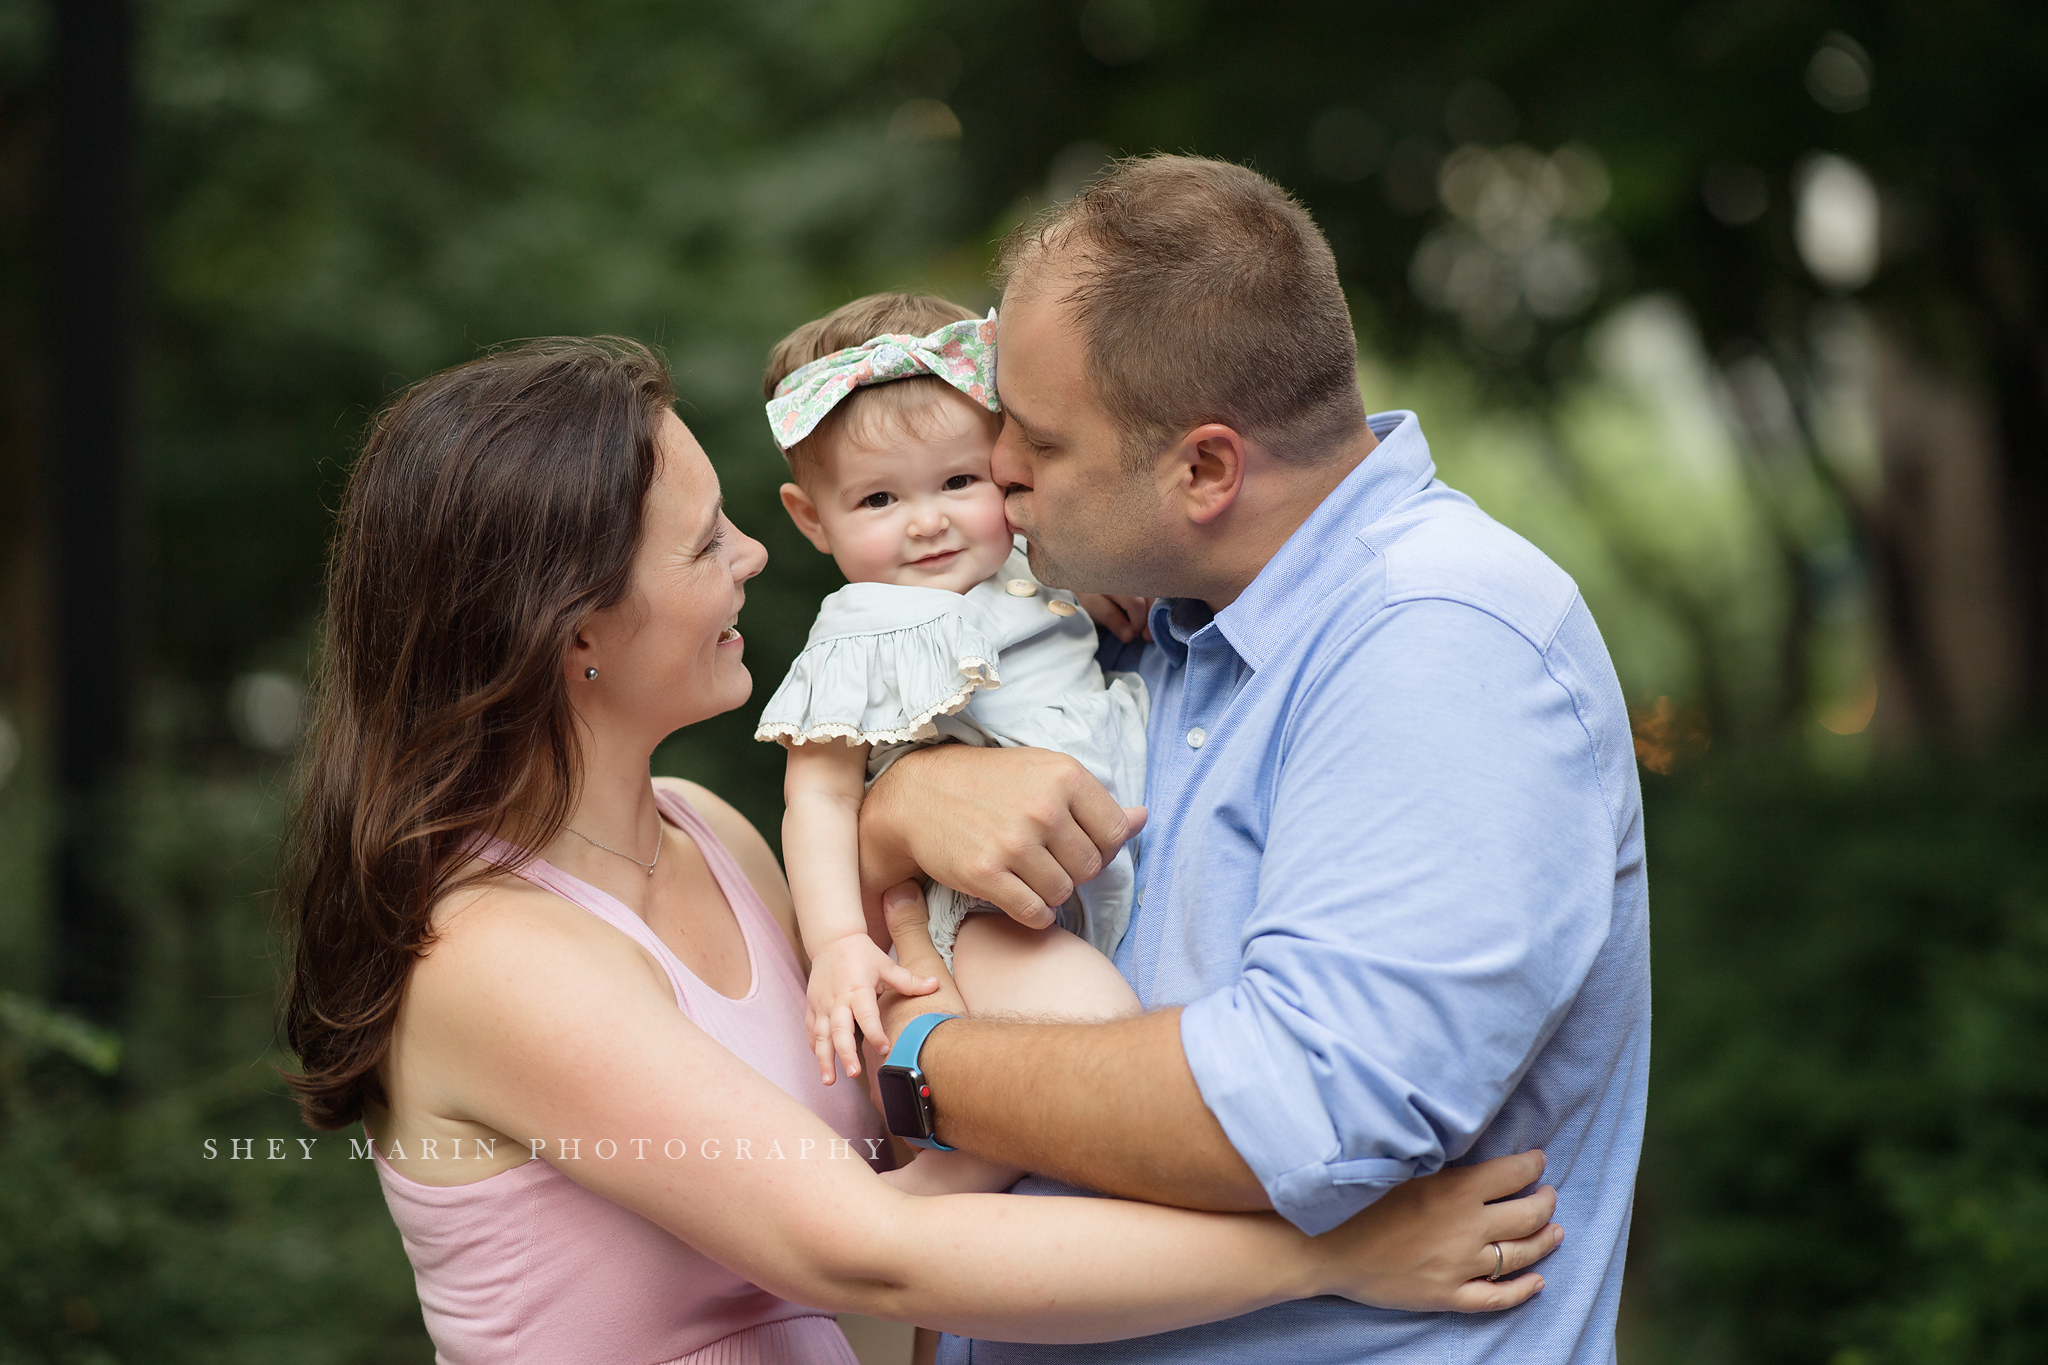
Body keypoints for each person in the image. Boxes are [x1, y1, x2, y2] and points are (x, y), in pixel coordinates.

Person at [279, 336, 1565, 1365]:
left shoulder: (712, 835)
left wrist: (897, 823)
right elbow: (863, 1249)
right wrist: (1330, 1253)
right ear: (575, 635)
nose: (754, 556)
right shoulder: (495, 953)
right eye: (703, 539)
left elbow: (913, 1116)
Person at [859, 155, 1651, 1364]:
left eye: (1041, 438)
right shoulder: (1139, 615)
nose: (995, 461)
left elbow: (1296, 1112)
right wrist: (900, 802)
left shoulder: (1442, 642)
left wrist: (924, 1065)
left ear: (1205, 469)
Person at [755, 293, 1147, 1110]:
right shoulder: (860, 629)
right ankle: (925, 1207)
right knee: (1099, 1036)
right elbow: (819, 795)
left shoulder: (1034, 569)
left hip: (1083, 858)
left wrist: (1100, 592)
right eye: (878, 500)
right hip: (986, 909)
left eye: (958, 481)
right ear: (811, 519)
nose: (927, 522)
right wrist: (834, 943)